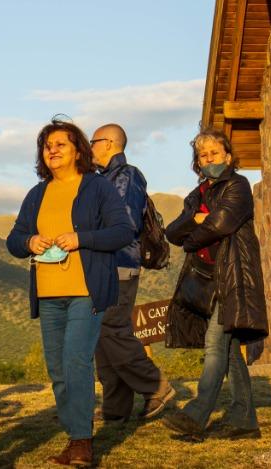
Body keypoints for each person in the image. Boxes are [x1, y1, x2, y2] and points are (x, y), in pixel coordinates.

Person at [6, 119, 135, 468]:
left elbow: (123, 231)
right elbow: (13, 240)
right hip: (48, 294)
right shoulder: (37, 194)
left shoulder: (97, 187)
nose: (53, 150)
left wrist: (82, 239)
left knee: (76, 360)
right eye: (48, 145)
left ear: (79, 150)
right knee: (58, 369)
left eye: (61, 144)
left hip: (86, 290)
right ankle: (75, 434)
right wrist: (29, 241)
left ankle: (82, 442)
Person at [162, 129, 267, 442]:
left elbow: (222, 223)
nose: (209, 159)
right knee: (231, 351)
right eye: (203, 155)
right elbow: (171, 232)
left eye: (214, 154)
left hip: (232, 277)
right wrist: (194, 223)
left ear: (228, 157)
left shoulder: (238, 185)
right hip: (206, 281)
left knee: (213, 345)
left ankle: (196, 415)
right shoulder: (195, 196)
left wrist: (193, 234)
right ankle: (245, 421)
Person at [90, 123, 174, 422]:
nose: (90, 147)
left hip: (120, 265)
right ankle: (116, 407)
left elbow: (124, 223)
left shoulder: (127, 176)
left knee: (112, 330)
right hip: (103, 267)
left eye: (93, 141)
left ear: (109, 143)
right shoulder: (103, 179)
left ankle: (157, 386)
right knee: (101, 336)